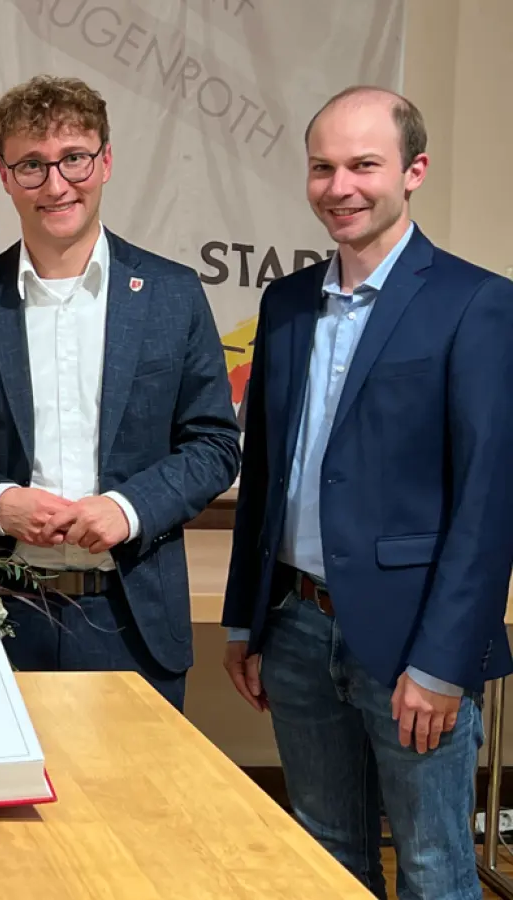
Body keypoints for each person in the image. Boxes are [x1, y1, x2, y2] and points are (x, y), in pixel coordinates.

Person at [222, 86, 513, 900]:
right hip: (296, 632)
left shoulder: (477, 303)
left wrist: (444, 665)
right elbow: (267, 479)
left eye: (363, 165)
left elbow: (489, 505)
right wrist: (248, 617)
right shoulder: (284, 304)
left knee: (430, 866)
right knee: (323, 854)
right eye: (322, 167)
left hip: (412, 649)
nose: (339, 187)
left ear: (414, 170)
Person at [0, 76, 239, 711]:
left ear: (106, 161)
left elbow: (214, 444)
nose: (56, 184)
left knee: (135, 812)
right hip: (1, 616)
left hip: (131, 619)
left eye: (73, 159)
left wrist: (129, 507)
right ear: (5, 177)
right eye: (32, 165)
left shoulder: (173, 294)